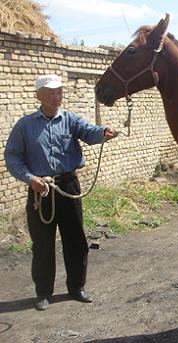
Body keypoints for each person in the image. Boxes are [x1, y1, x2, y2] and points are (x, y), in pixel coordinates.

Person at [4, 74, 117, 311]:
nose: (57, 97)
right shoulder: (25, 126)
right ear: (39, 96)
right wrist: (30, 178)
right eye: (51, 93)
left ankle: (76, 288)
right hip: (40, 190)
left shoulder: (70, 120)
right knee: (43, 244)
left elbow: (89, 131)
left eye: (59, 92)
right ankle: (44, 293)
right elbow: (12, 156)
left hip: (68, 187)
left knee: (76, 240)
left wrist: (104, 131)